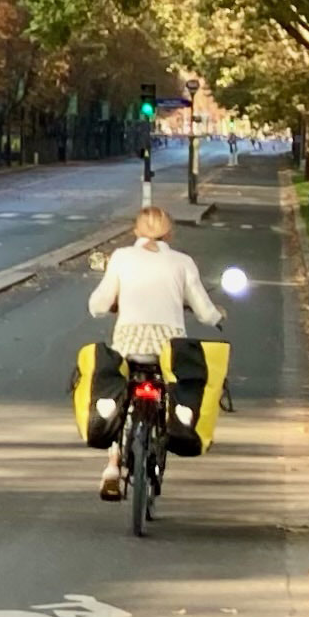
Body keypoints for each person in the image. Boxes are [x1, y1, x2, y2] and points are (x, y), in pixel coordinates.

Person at [85, 202, 225, 502]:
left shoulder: (121, 258)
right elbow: (203, 309)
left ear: (135, 230)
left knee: (122, 392)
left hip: (129, 344)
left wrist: (107, 306)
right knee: (171, 385)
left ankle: (112, 465)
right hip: (167, 348)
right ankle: (173, 422)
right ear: (169, 233)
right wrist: (217, 317)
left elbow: (98, 305)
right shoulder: (183, 262)